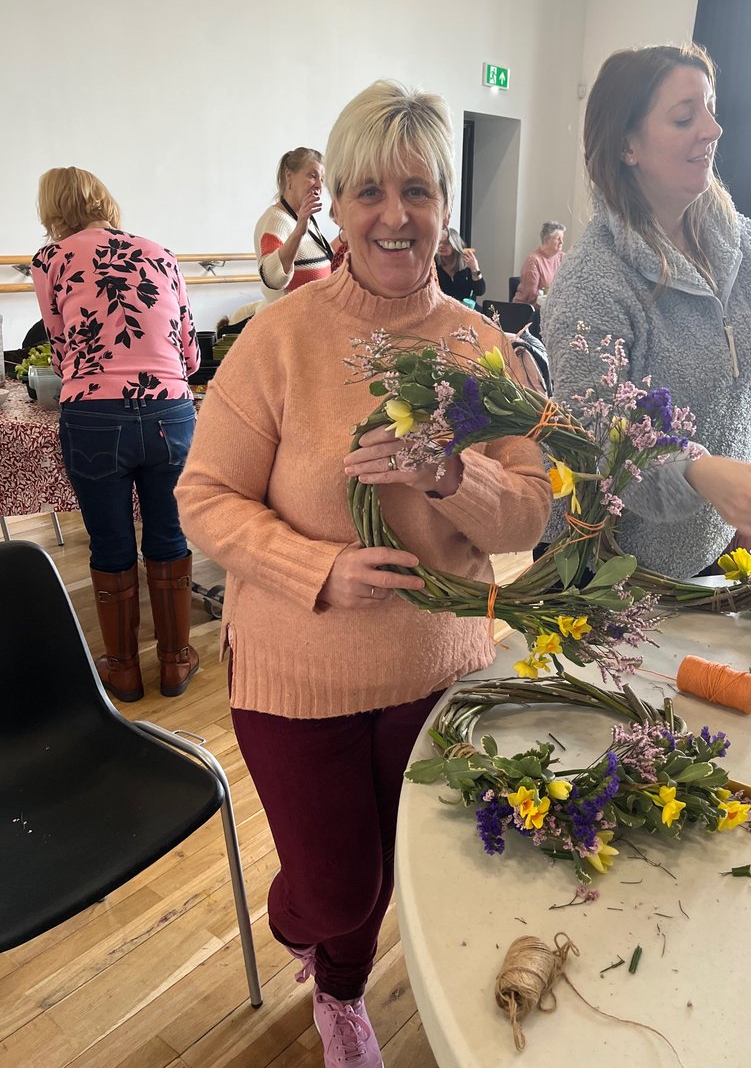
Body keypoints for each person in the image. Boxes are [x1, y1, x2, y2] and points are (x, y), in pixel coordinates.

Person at [176, 80, 551, 1068]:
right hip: (301, 675)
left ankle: (340, 991)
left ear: (443, 207)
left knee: (397, 870)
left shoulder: (477, 346)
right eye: (370, 191)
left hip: (439, 669)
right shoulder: (281, 341)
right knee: (337, 890)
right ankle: (306, 928)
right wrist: (321, 568)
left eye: (418, 191)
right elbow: (203, 497)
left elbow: (531, 508)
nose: (396, 215)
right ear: (333, 206)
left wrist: (450, 473)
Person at [543, 44, 751, 579]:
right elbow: (592, 438)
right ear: (627, 145)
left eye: (710, 108)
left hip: (701, 552)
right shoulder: (594, 279)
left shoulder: (734, 237)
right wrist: (696, 472)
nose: (714, 129)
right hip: (606, 571)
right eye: (685, 117)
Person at [31, 167, 201, 702]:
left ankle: (123, 669)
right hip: (171, 412)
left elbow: (61, 354)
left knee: (108, 541)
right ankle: (175, 661)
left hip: (93, 418)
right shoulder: (160, 252)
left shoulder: (50, 260)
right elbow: (190, 354)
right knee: (169, 536)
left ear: (53, 211)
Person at [254, 147, 333, 304]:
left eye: (322, 179)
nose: (319, 185)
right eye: (312, 176)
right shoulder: (276, 220)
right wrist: (299, 231)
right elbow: (272, 277)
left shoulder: (305, 219)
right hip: (286, 323)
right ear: (289, 177)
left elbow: (319, 260)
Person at [513, 221, 566, 304]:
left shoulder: (562, 258)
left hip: (552, 307)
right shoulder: (534, 261)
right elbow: (531, 296)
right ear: (547, 240)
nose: (562, 242)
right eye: (558, 239)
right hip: (529, 310)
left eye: (562, 238)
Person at [434, 226, 485, 303]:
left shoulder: (466, 264)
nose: (441, 246)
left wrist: (475, 268)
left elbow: (479, 291)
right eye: (439, 243)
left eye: (446, 243)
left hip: (466, 309)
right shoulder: (434, 264)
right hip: (443, 308)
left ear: (455, 244)